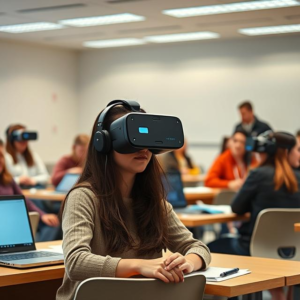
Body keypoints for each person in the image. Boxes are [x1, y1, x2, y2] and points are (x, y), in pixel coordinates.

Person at [56, 102, 211, 300]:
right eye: (132, 139)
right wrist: (139, 265)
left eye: (147, 140)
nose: (143, 148)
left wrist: (188, 262)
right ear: (104, 142)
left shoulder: (155, 203)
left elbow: (199, 247)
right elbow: (75, 262)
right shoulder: (83, 197)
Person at [208, 132, 300, 300]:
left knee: (209, 249)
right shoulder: (297, 178)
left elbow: (236, 207)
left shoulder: (258, 174)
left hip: (253, 249)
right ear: (287, 152)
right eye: (298, 150)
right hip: (292, 252)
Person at [0, 140, 59, 227]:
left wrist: (43, 215)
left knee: (54, 223)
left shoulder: (8, 179)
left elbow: (24, 201)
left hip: (13, 223)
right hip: (6, 224)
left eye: (1, 156)